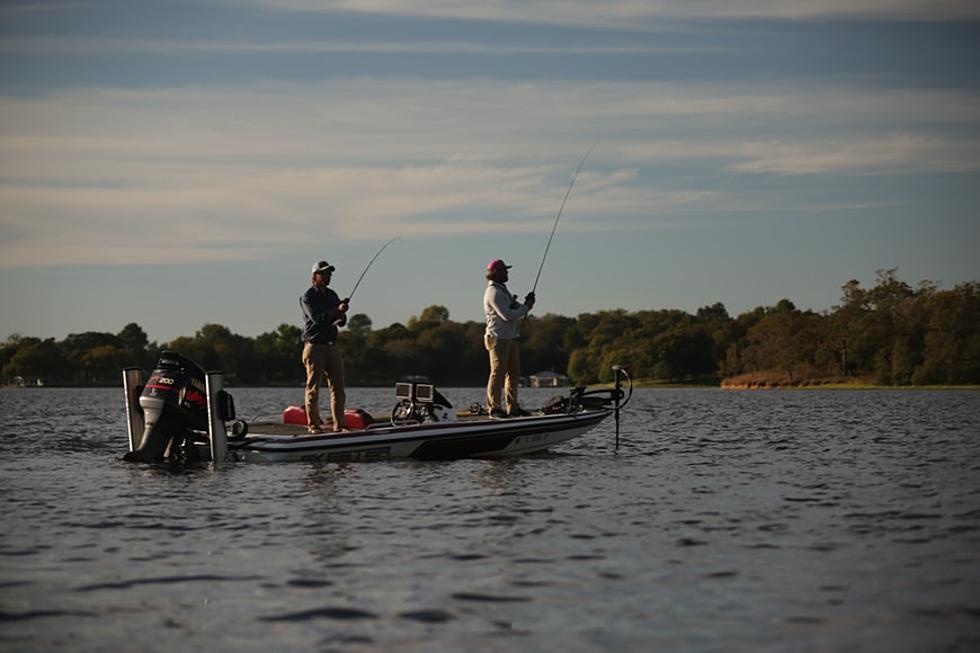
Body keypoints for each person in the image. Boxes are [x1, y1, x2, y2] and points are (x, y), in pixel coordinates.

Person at [300, 260, 350, 434]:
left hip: (332, 347)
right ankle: (313, 425)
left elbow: (341, 322)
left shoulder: (331, 295)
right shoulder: (308, 297)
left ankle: (340, 425)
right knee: (313, 388)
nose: (328, 276)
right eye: (324, 273)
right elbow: (318, 319)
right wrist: (337, 311)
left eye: (329, 274)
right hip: (314, 347)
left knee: (338, 389)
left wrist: (342, 314)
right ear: (315, 276)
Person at [483, 259, 536, 418]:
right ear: (497, 273)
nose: (507, 273)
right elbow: (507, 316)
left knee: (514, 373)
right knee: (497, 373)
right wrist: (525, 308)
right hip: (498, 339)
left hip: (510, 338)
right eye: (505, 271)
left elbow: (517, 308)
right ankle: (494, 408)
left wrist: (527, 304)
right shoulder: (494, 292)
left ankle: (513, 408)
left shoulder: (503, 290)